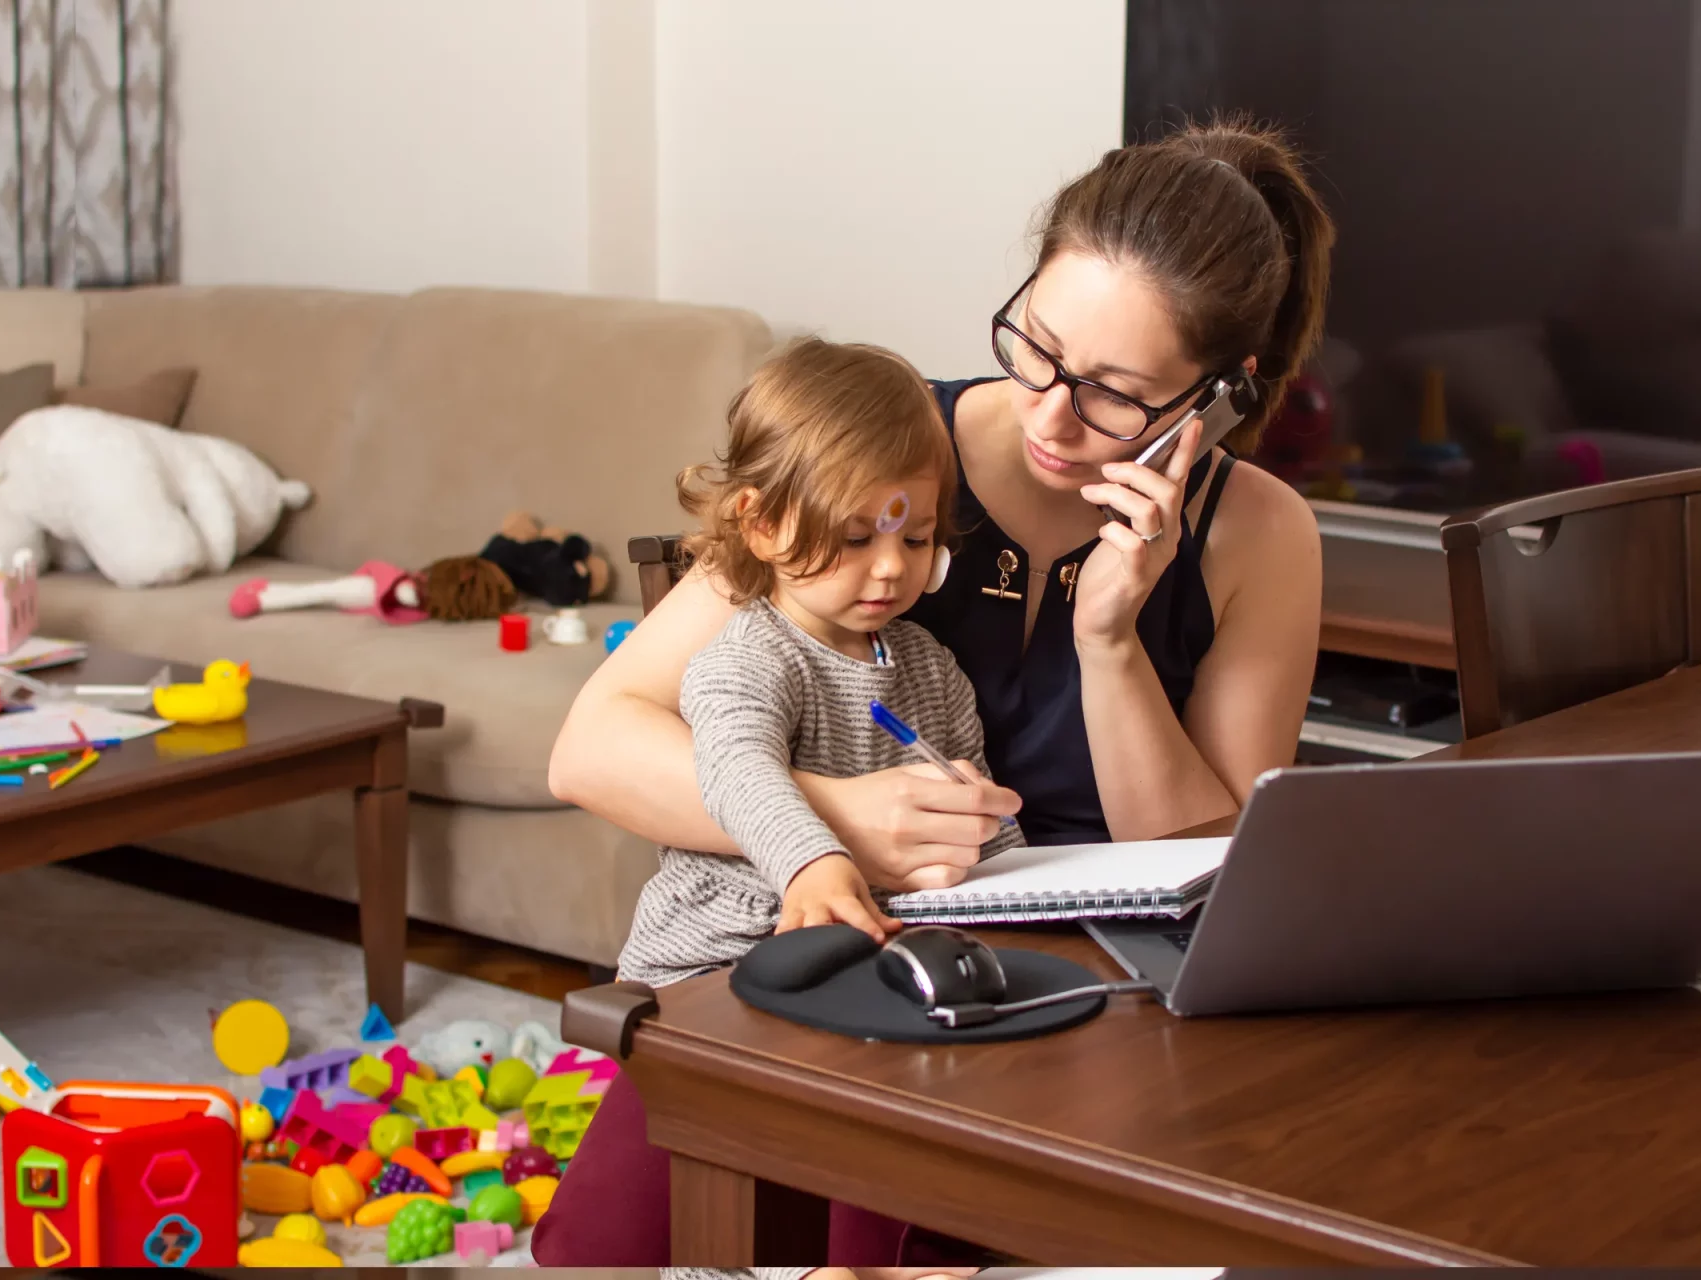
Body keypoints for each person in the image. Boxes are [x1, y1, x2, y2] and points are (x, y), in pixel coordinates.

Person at [538, 117, 1334, 1265]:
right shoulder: (881, 445)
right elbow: (595, 746)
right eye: (1037, 347)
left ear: (1216, 398)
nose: (1050, 416)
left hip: (1075, 992)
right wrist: (841, 821)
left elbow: (1214, 871)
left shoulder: (1258, 532)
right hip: (827, 927)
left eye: (1116, 395)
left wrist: (1111, 635)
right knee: (595, 1252)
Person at [535, 338, 1022, 1266]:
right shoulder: (748, 657)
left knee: (896, 1134)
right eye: (854, 537)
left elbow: (986, 842)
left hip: (868, 978)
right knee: (611, 1245)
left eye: (915, 538)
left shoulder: (933, 671)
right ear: (760, 526)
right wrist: (817, 860)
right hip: (716, 975)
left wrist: (992, 838)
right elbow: (739, 773)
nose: (889, 569)